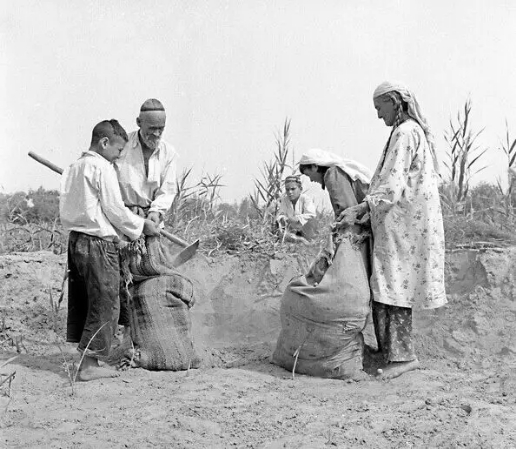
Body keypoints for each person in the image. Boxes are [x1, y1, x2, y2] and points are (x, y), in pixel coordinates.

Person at [337, 81, 447, 380]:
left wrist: (362, 207)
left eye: (378, 108)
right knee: (389, 283)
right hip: (399, 224)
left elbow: (392, 182)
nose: (377, 115)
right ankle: (391, 352)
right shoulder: (407, 132)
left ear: (392, 101)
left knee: (393, 285)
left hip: (402, 226)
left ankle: (403, 357)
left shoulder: (406, 132)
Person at [60, 119, 160, 381]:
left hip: (76, 241)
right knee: (105, 302)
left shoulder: (74, 168)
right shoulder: (101, 167)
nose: (117, 158)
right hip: (97, 245)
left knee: (86, 299)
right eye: (117, 151)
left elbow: (90, 208)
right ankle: (89, 365)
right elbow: (114, 210)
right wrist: (142, 226)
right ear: (104, 143)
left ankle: (85, 358)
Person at [115, 98, 177, 227]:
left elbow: (168, 190)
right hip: (123, 220)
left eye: (161, 129)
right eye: (152, 128)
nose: (156, 133)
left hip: (152, 221)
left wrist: (156, 212)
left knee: (158, 247)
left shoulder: (169, 152)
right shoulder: (121, 145)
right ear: (139, 122)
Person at [274, 175, 317, 243]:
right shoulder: (285, 200)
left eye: (293, 189)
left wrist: (295, 218)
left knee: (311, 222)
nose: (290, 192)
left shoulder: (305, 199)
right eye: (287, 189)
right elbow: (280, 215)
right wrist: (284, 219)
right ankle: (298, 240)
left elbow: (311, 215)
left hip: (304, 229)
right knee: (279, 227)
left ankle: (305, 240)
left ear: (300, 189)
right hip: (291, 229)